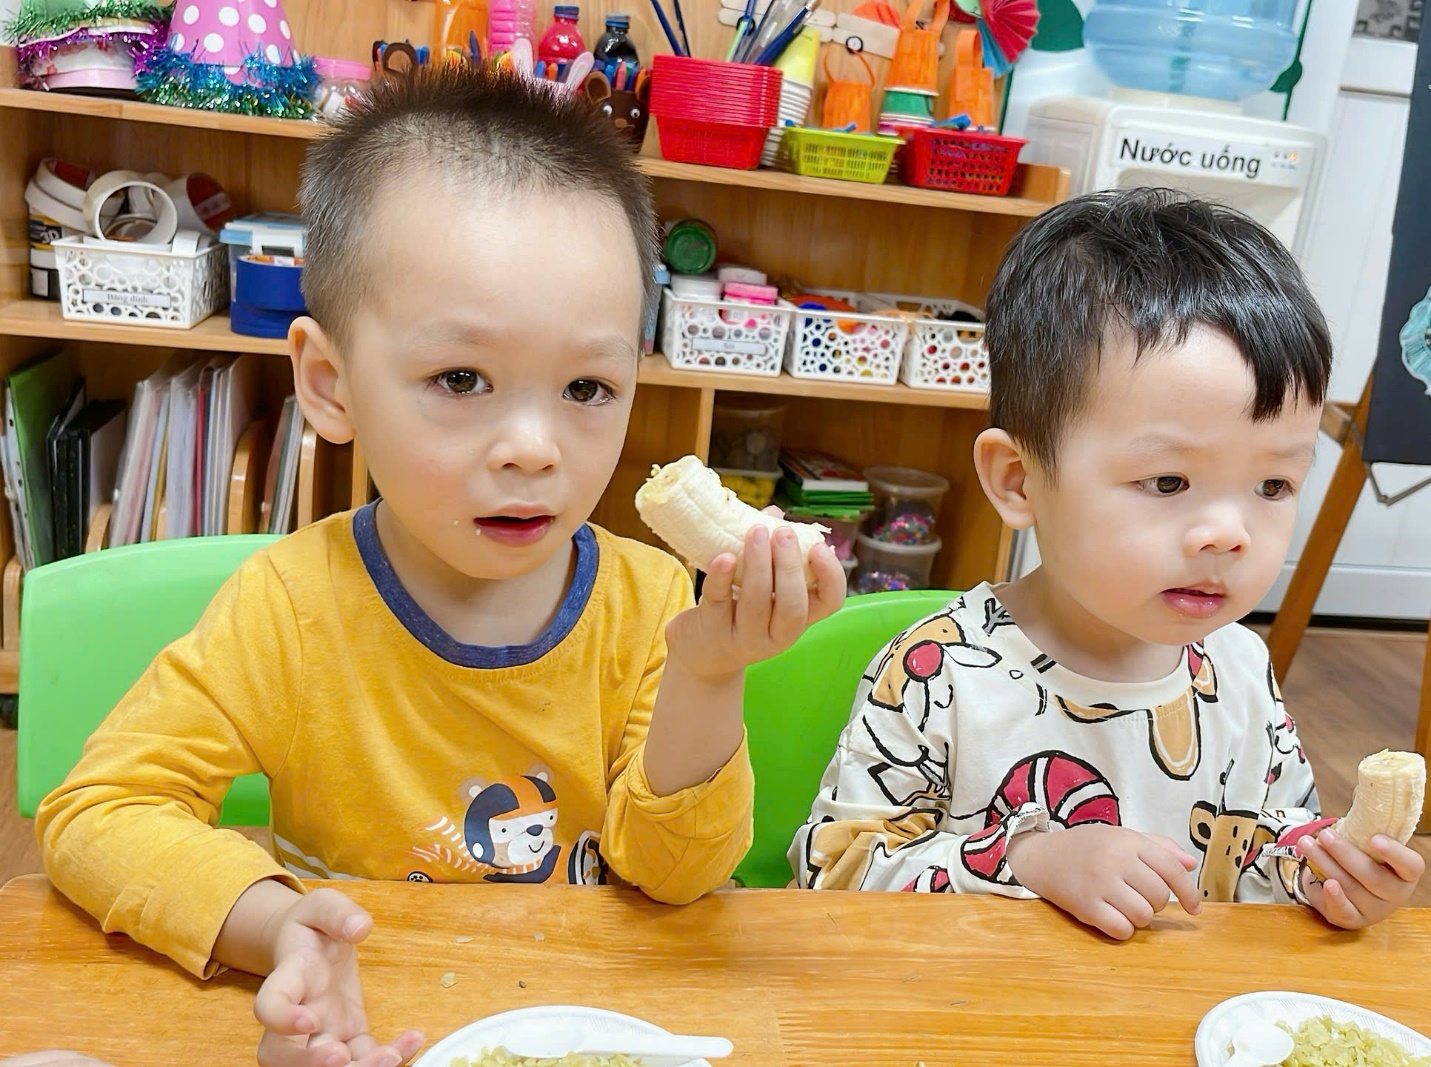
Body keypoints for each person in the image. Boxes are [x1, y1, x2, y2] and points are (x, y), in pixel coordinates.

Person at [35, 66, 844, 1067]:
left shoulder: (647, 607)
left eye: (588, 385)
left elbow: (674, 876)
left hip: (574, 1019)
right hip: (364, 1022)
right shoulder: (292, 608)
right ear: (331, 384)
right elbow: (99, 809)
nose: (534, 447)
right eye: (461, 378)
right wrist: (272, 921)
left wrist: (709, 672)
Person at [789, 188, 1423, 938]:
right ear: (1018, 480)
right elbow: (834, 870)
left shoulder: (1239, 672)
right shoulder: (939, 671)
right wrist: (1028, 860)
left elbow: (1255, 847)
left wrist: (1322, 873)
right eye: (1166, 482)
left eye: (1272, 484)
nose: (1227, 533)